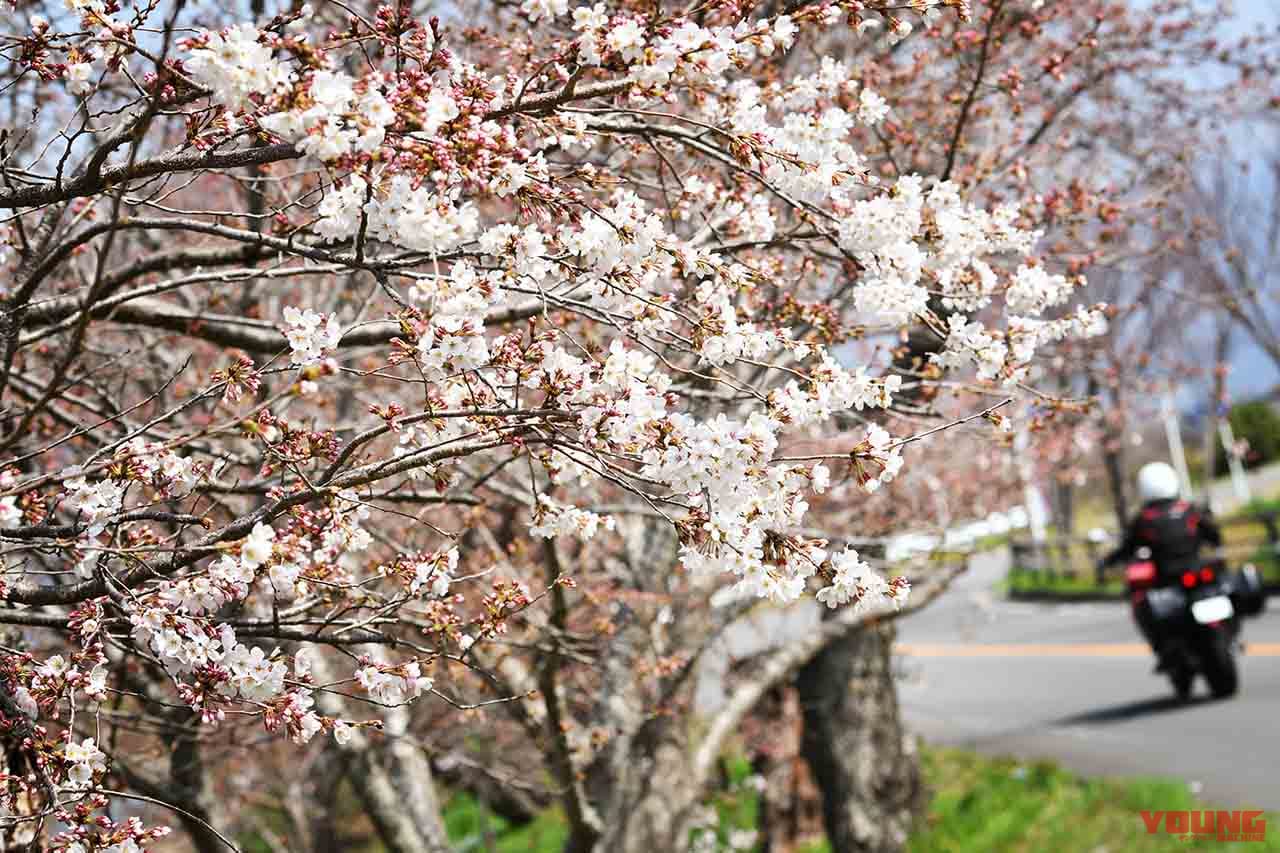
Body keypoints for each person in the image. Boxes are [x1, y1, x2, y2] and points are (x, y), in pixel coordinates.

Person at [1098, 461, 1223, 663]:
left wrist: (1107, 562)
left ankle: (1166, 650)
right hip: (1198, 570)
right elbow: (1214, 535)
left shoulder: (1144, 519)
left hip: (1168, 577)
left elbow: (1127, 548)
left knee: (1146, 606)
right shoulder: (1189, 509)